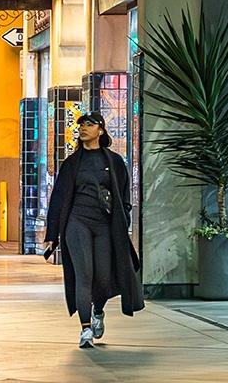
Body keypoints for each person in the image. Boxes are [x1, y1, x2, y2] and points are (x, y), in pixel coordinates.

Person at [43, 112, 144, 348]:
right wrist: (52, 234)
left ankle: (98, 309)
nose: (83, 128)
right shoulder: (71, 164)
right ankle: (85, 329)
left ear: (100, 130)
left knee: (103, 277)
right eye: (81, 125)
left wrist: (124, 220)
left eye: (89, 125)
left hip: (105, 226)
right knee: (83, 274)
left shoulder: (114, 162)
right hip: (77, 223)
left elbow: (124, 197)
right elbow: (58, 198)